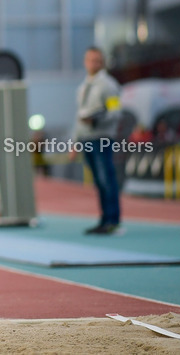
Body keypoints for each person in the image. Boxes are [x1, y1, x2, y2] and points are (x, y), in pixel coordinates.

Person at [71, 46, 121, 235]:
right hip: (86, 138)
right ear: (85, 62)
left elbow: (116, 112)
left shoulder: (109, 85)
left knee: (106, 178)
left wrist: (97, 119)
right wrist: (75, 142)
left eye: (97, 61)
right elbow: (78, 116)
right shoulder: (83, 87)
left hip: (102, 138)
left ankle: (112, 220)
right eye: (90, 60)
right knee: (98, 182)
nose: (93, 64)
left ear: (102, 62)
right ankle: (104, 219)